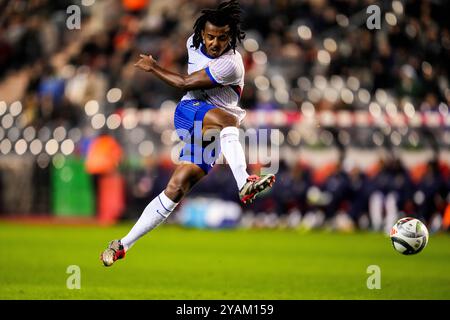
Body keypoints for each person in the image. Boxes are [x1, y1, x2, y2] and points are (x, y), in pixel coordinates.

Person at [101, 0, 275, 266]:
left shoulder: (232, 64)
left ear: (231, 37)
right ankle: (244, 183)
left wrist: (154, 67)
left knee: (176, 188)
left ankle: (123, 244)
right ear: (201, 35)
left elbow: (183, 81)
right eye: (210, 37)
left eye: (222, 38)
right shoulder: (192, 43)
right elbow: (185, 88)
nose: (215, 43)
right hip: (190, 112)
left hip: (212, 130)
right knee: (228, 120)